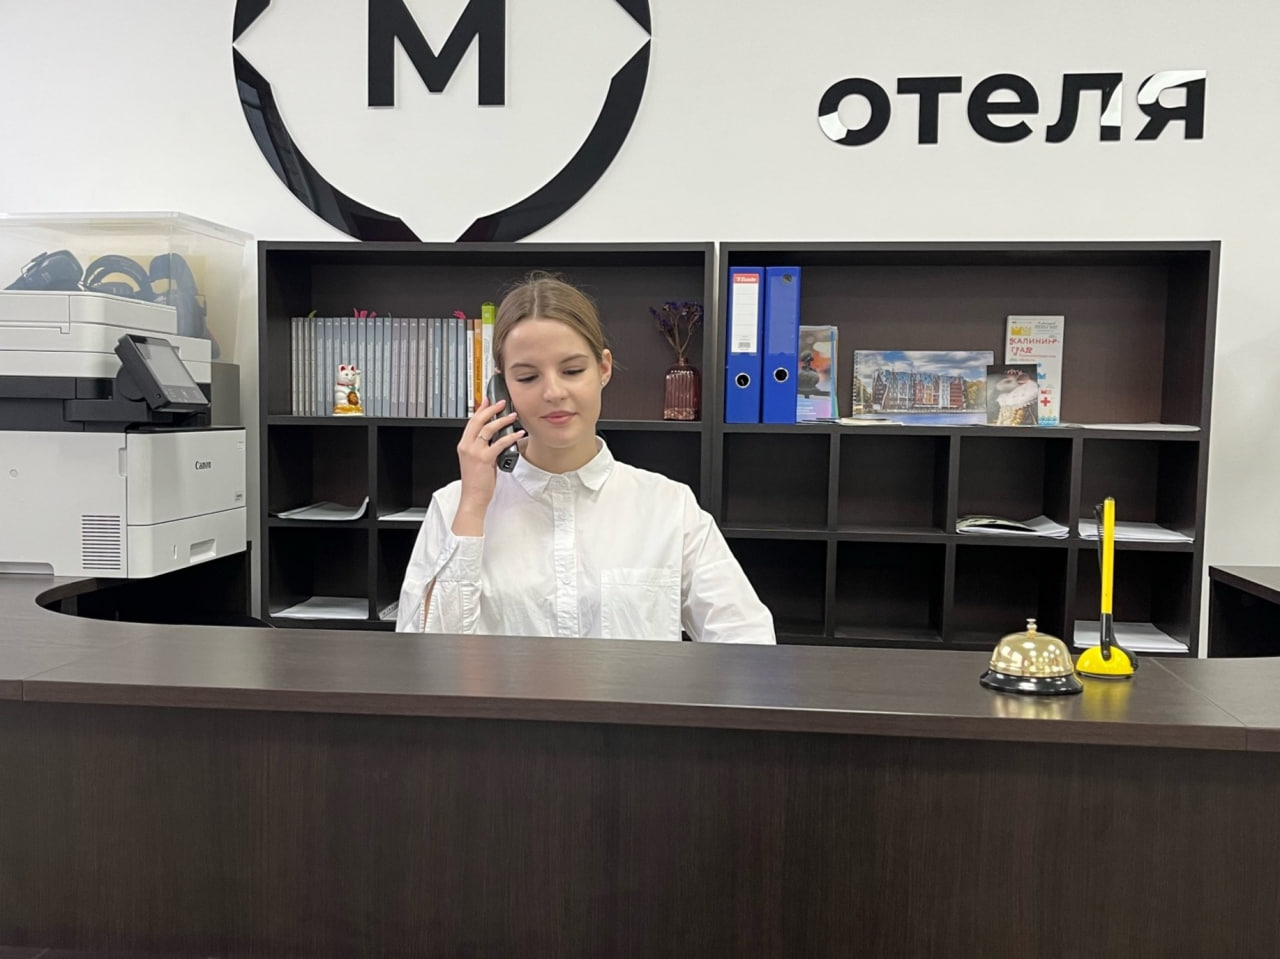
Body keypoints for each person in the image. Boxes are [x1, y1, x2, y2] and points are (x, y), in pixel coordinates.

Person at [396, 273, 775, 643]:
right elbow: (425, 660)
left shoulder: (669, 507)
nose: (553, 392)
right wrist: (473, 508)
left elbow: (747, 641)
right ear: (502, 388)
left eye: (573, 370)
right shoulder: (455, 507)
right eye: (527, 377)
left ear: (603, 368)